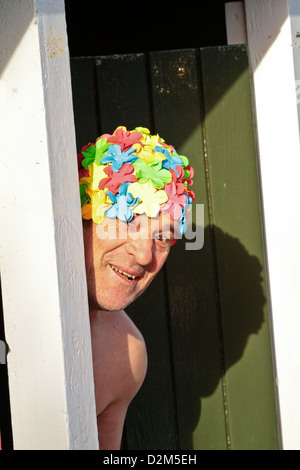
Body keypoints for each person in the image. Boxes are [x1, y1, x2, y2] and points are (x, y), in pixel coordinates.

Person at [78, 126, 195, 450]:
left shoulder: (125, 355)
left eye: (162, 237)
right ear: (78, 216)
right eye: (126, 217)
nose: (145, 255)